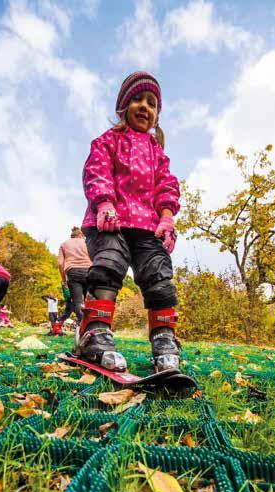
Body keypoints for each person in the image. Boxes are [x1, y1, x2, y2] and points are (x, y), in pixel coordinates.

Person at [78, 71, 180, 372]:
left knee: (159, 277)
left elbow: (167, 185)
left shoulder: (157, 153)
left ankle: (164, 338)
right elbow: (96, 171)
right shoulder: (109, 140)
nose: (145, 107)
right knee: (108, 266)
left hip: (148, 227)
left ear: (157, 115)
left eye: (152, 103)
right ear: (123, 107)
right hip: (111, 221)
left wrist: (166, 217)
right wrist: (105, 203)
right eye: (137, 99)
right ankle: (94, 331)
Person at [58, 227, 91, 322]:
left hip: (73, 273)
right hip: (89, 272)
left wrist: (64, 280)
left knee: (77, 302)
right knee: (90, 301)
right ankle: (91, 327)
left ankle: (81, 326)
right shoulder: (87, 242)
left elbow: (60, 263)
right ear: (80, 235)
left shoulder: (64, 244)